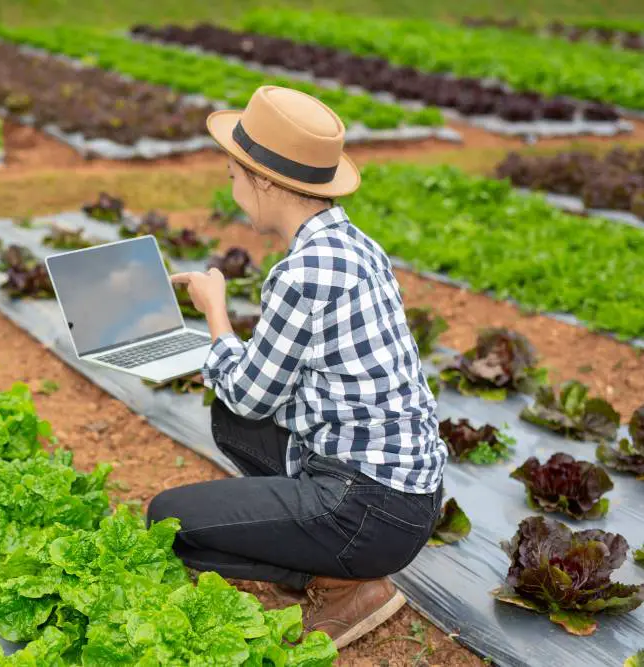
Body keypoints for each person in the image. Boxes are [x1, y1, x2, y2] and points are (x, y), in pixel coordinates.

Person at [147, 85, 448, 649]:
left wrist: (214, 314)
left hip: (369, 511)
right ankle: (318, 549)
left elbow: (250, 392)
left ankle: (341, 583)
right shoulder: (354, 245)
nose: (231, 185)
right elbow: (263, 391)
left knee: (170, 524)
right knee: (231, 423)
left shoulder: (301, 271)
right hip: (410, 496)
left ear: (263, 179)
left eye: (234, 173)